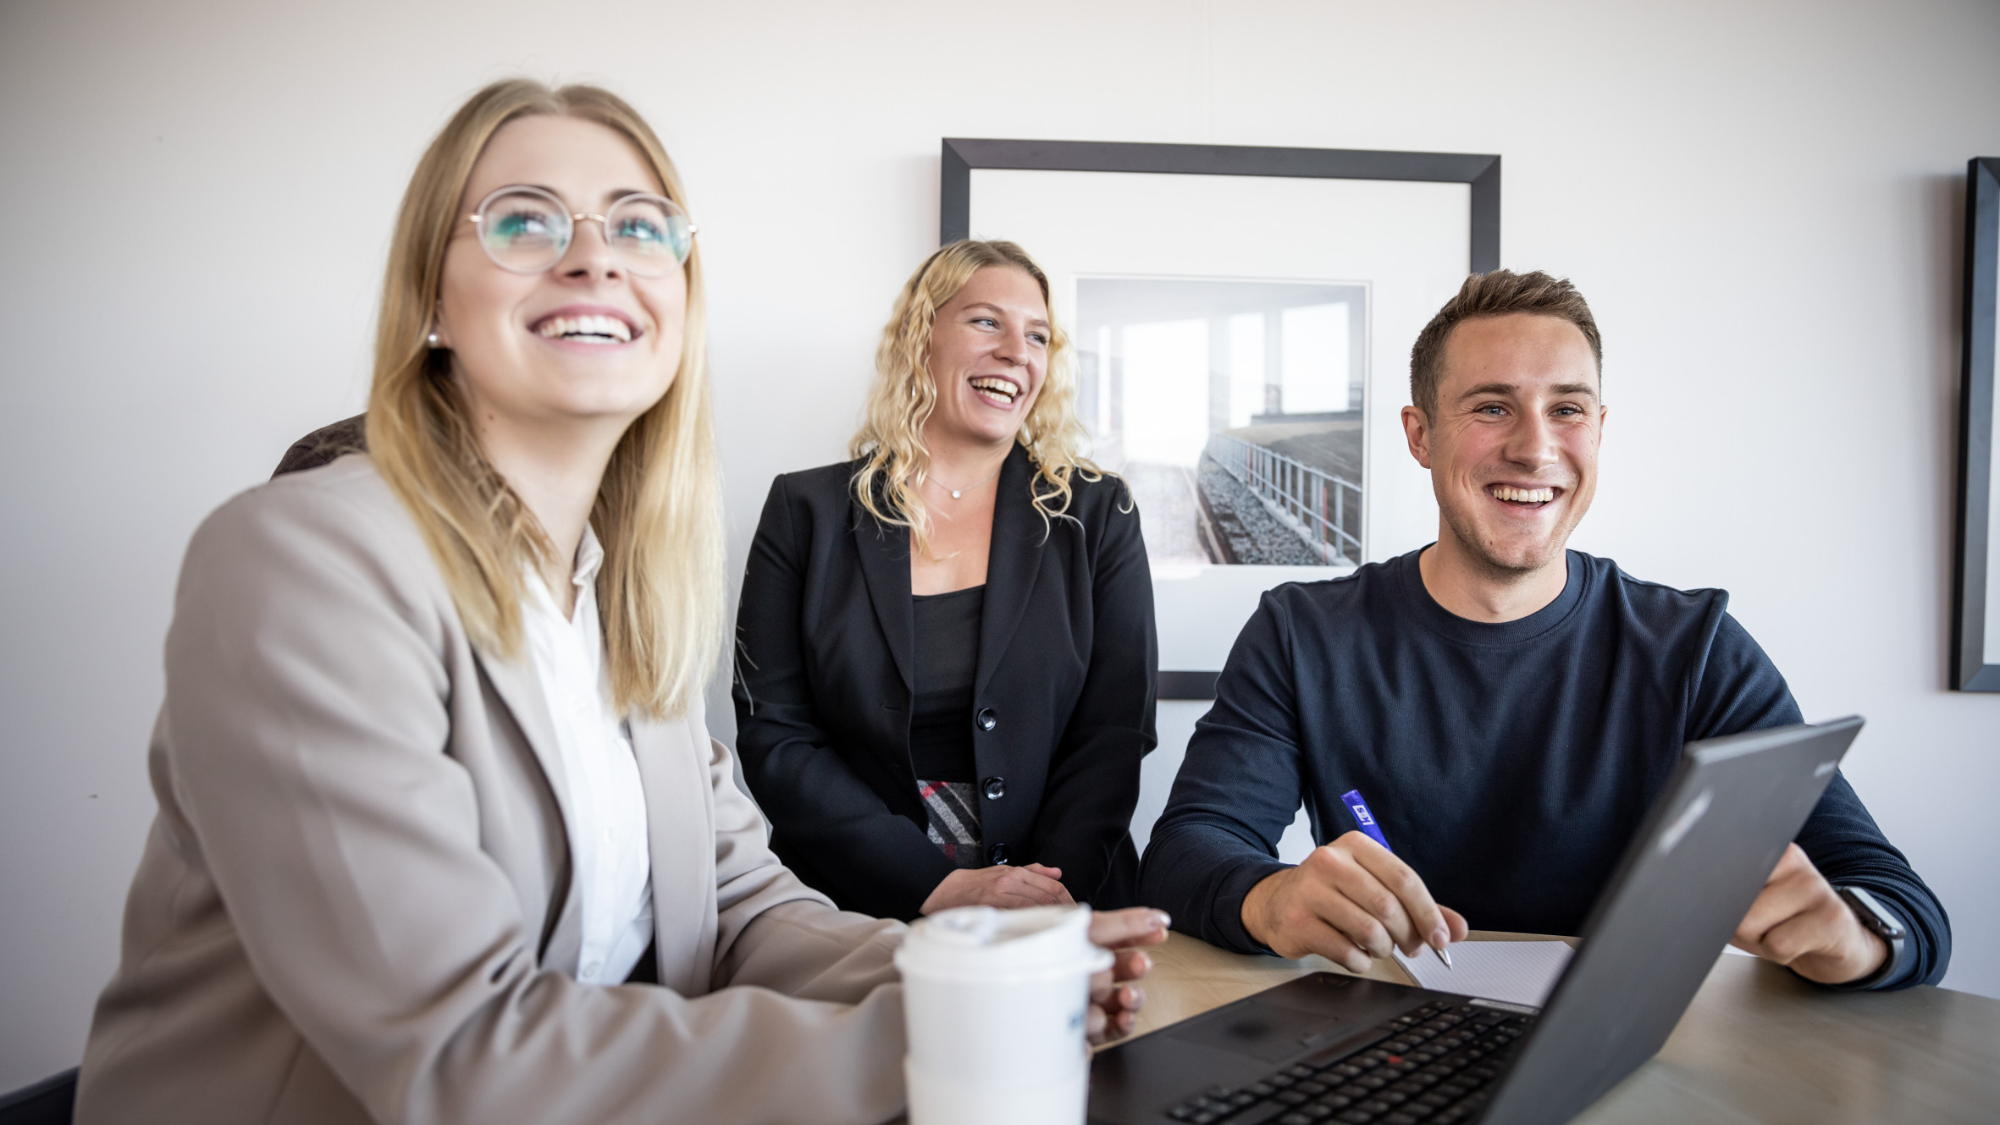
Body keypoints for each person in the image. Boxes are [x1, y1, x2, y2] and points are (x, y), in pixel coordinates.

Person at [77, 80, 1163, 1125]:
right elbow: (462, 1056)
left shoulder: (619, 598)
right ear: (430, 297)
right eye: (524, 220)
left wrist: (1000, 967)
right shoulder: (298, 559)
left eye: (642, 227)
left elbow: (744, 911)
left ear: (679, 306)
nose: (595, 252)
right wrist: (959, 1029)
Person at [1139, 269, 1950, 991]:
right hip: (1382, 1039)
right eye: (1492, 407)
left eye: (1566, 409)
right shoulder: (1302, 632)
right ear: (1420, 435)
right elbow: (1187, 852)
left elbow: (1898, 900)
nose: (1534, 448)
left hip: (1613, 1050)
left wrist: (1854, 935)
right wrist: (1270, 897)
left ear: (1599, 428)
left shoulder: (1694, 644)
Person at [731, 240, 1158, 921]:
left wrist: (1046, 892)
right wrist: (931, 883)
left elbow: (1114, 730)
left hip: (1061, 908)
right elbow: (778, 737)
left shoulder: (1100, 516)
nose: (1017, 350)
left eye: (1038, 335)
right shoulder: (803, 512)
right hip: (852, 909)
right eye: (987, 321)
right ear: (920, 336)